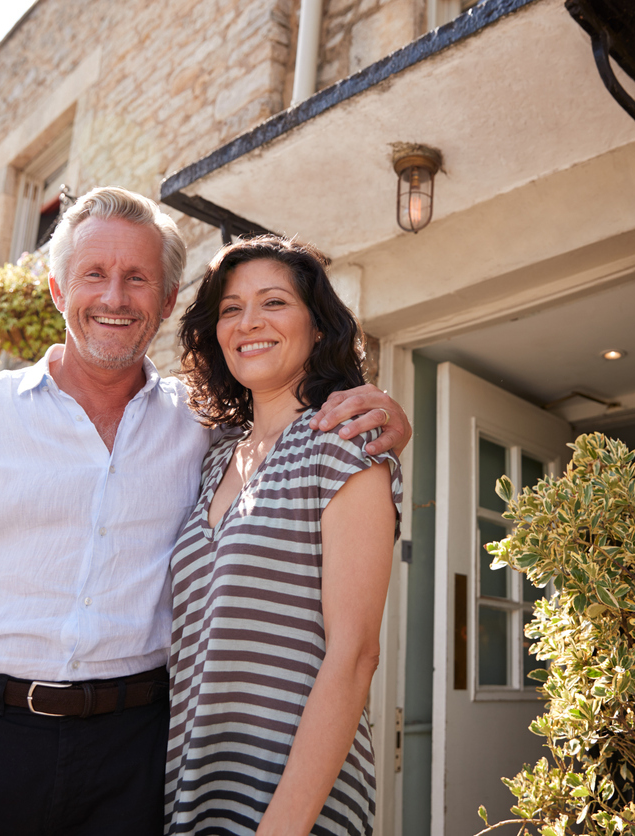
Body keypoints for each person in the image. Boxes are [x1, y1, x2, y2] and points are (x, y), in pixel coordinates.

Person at [0, 187, 410, 836]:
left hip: (135, 761)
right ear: (58, 291)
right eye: (93, 275)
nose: (114, 297)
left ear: (166, 302)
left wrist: (384, 414)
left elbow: (300, 433)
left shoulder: (199, 431)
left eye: (136, 278)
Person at [165, 236, 400, 836]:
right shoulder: (215, 460)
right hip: (194, 794)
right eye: (230, 309)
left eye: (274, 302)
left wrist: (284, 827)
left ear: (317, 327)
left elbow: (355, 655)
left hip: (295, 805)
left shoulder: (341, 444)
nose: (249, 323)